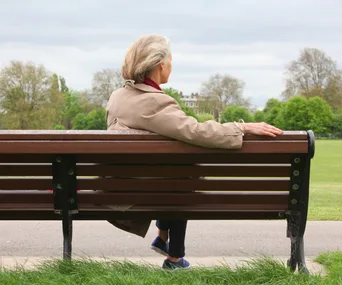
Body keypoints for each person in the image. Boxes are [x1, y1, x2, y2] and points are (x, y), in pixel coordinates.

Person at [106, 34, 283, 269]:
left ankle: (164, 237)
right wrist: (240, 127)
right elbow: (197, 131)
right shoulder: (155, 103)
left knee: (176, 175)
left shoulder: (117, 97)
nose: (171, 64)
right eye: (170, 59)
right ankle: (174, 258)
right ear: (160, 65)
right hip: (140, 194)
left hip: (116, 188)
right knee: (184, 178)